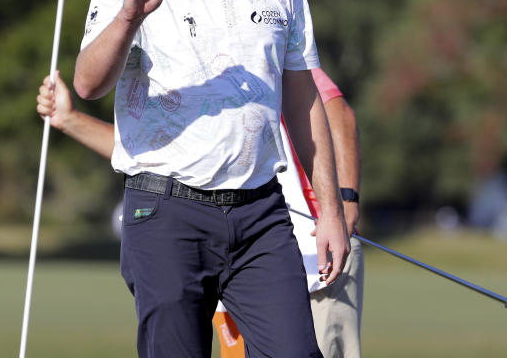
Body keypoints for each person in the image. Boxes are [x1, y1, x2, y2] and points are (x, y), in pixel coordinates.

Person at [70, 0, 349, 358]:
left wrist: (329, 210)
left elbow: (304, 98)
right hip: (166, 209)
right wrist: (131, 14)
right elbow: (88, 83)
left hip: (262, 214)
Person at [36, 67, 365, 357]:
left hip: (312, 253)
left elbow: (332, 111)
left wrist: (342, 204)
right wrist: (69, 120)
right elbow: (146, 158)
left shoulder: (254, 41)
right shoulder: (166, 78)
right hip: (224, 258)